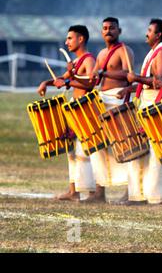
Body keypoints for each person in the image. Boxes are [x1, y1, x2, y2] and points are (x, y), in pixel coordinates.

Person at [113, 18, 162, 205]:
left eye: (149, 30)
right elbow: (148, 83)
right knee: (140, 151)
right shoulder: (155, 52)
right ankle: (137, 194)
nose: (146, 33)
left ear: (158, 35)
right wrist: (129, 89)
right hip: (146, 104)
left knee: (157, 152)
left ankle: (159, 195)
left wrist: (136, 78)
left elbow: (161, 80)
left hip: (156, 107)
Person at [37, 25, 96, 201]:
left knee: (85, 152)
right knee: (71, 150)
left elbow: (91, 84)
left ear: (81, 39)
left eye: (70, 38)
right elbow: (62, 80)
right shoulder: (76, 62)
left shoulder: (88, 60)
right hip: (73, 107)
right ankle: (73, 191)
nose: (66, 42)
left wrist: (69, 81)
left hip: (85, 109)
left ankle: (92, 192)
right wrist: (46, 83)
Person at [84, 17, 134, 203]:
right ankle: (99, 190)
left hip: (118, 99)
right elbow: (93, 80)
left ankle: (131, 191)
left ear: (119, 31)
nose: (108, 31)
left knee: (124, 145)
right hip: (102, 99)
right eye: (104, 28)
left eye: (112, 28)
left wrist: (103, 73)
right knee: (99, 146)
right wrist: (72, 75)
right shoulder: (101, 53)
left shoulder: (124, 50)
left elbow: (129, 75)